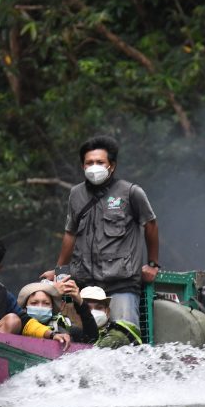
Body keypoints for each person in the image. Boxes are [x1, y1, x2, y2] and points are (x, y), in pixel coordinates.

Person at [40, 135, 160, 327]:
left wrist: (153, 264)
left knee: (124, 337)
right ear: (82, 166)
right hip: (85, 285)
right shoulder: (76, 194)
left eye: (99, 162)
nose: (94, 166)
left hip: (122, 283)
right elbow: (70, 233)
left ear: (111, 165)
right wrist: (58, 271)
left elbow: (151, 224)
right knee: (80, 338)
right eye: (89, 162)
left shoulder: (130, 192)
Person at [17, 278, 99, 345]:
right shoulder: (16, 327)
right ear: (25, 308)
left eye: (46, 303)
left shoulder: (66, 332)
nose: (40, 307)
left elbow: (91, 339)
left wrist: (80, 303)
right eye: (34, 303)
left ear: (52, 308)